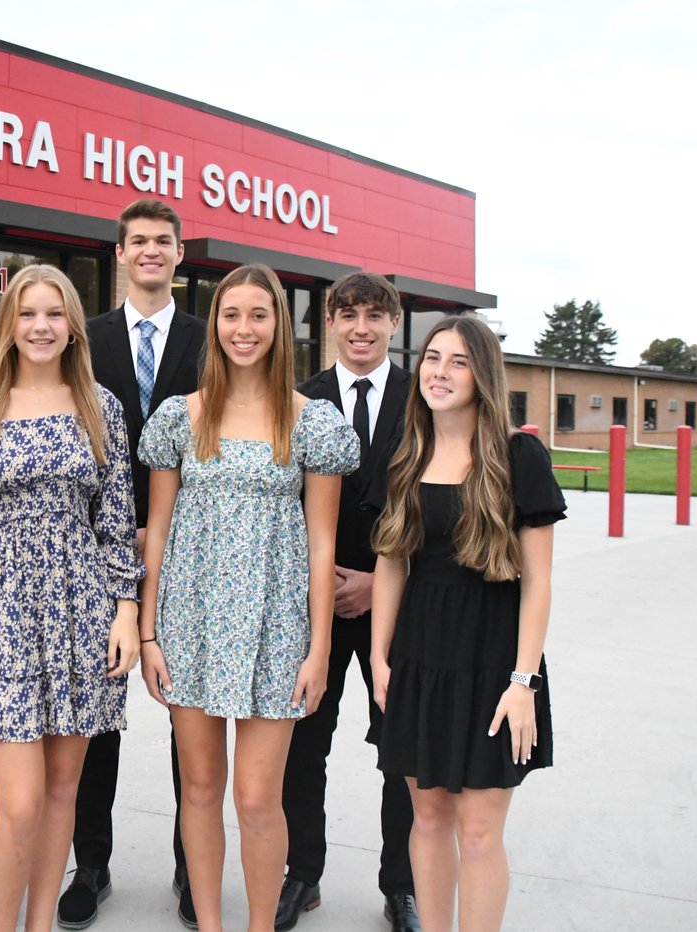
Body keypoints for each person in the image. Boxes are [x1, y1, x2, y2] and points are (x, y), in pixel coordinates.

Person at [138, 264, 359, 932]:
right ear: (216, 325)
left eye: (258, 315)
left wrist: (319, 649)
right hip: (190, 625)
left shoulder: (311, 423)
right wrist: (148, 633)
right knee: (200, 790)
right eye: (231, 314)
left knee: (260, 799)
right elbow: (159, 534)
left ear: (279, 326)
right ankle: (209, 923)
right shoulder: (181, 417)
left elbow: (323, 545)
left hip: (276, 629)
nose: (243, 329)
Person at [0, 264, 144, 932]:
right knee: (19, 804)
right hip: (0, 610)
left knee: (62, 793)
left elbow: (116, 519)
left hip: (82, 607)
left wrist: (126, 610)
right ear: (9, 324)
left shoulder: (100, 407)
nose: (41, 326)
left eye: (54, 314)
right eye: (27, 314)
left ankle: (40, 925)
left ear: (72, 324)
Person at [370, 315, 564, 932]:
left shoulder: (518, 455)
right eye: (432, 358)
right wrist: (380, 658)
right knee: (426, 819)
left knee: (478, 832)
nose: (440, 372)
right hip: (418, 657)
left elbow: (538, 582)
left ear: (482, 374)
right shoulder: (408, 451)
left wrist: (523, 681)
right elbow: (391, 564)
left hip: (492, 661)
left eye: (457, 361)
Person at [64, 198, 205, 929]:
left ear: (180, 253)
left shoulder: (210, 339)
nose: (151, 251)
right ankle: (91, 863)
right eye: (138, 241)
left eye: (163, 241)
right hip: (98, 553)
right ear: (119, 254)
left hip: (192, 553)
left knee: (191, 717)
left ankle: (192, 868)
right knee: (98, 717)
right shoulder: (82, 338)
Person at [278, 272, 420, 932]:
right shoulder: (299, 400)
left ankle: (403, 885)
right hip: (315, 604)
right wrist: (321, 583)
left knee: (402, 746)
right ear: (327, 322)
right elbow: (284, 503)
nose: (361, 326)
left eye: (374, 314)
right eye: (347, 313)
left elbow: (437, 505)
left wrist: (378, 579)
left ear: (394, 322)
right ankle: (301, 871)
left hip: (400, 602)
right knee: (304, 743)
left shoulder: (425, 399)